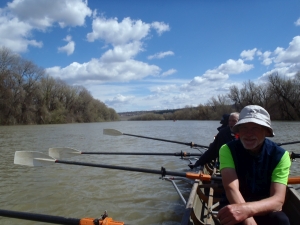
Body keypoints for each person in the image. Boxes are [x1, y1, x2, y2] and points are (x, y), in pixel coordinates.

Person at [218, 105, 291, 225]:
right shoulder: (227, 149)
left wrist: (247, 210)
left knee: (282, 220)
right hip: (234, 204)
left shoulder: (281, 155)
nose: (248, 134)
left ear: (266, 131)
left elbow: (278, 201)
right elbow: (231, 188)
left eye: (254, 128)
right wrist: (248, 220)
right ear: (238, 131)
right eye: (244, 128)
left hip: (264, 207)